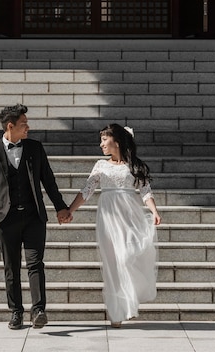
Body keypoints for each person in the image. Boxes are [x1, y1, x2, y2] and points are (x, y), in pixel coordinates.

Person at [0, 104, 72, 330]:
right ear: (10, 126)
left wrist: (60, 207)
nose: (28, 128)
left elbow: (48, 181)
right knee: (11, 267)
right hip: (5, 220)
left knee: (35, 264)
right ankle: (16, 312)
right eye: (24, 124)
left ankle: (38, 310)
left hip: (33, 217)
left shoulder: (35, 148)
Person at [66, 123, 161, 328]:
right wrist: (69, 210)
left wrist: (154, 211)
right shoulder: (101, 165)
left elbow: (146, 191)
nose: (101, 144)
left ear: (116, 141)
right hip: (108, 217)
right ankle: (117, 312)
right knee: (112, 264)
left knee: (127, 257)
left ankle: (129, 301)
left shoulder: (134, 166)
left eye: (104, 139)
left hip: (130, 216)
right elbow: (87, 190)